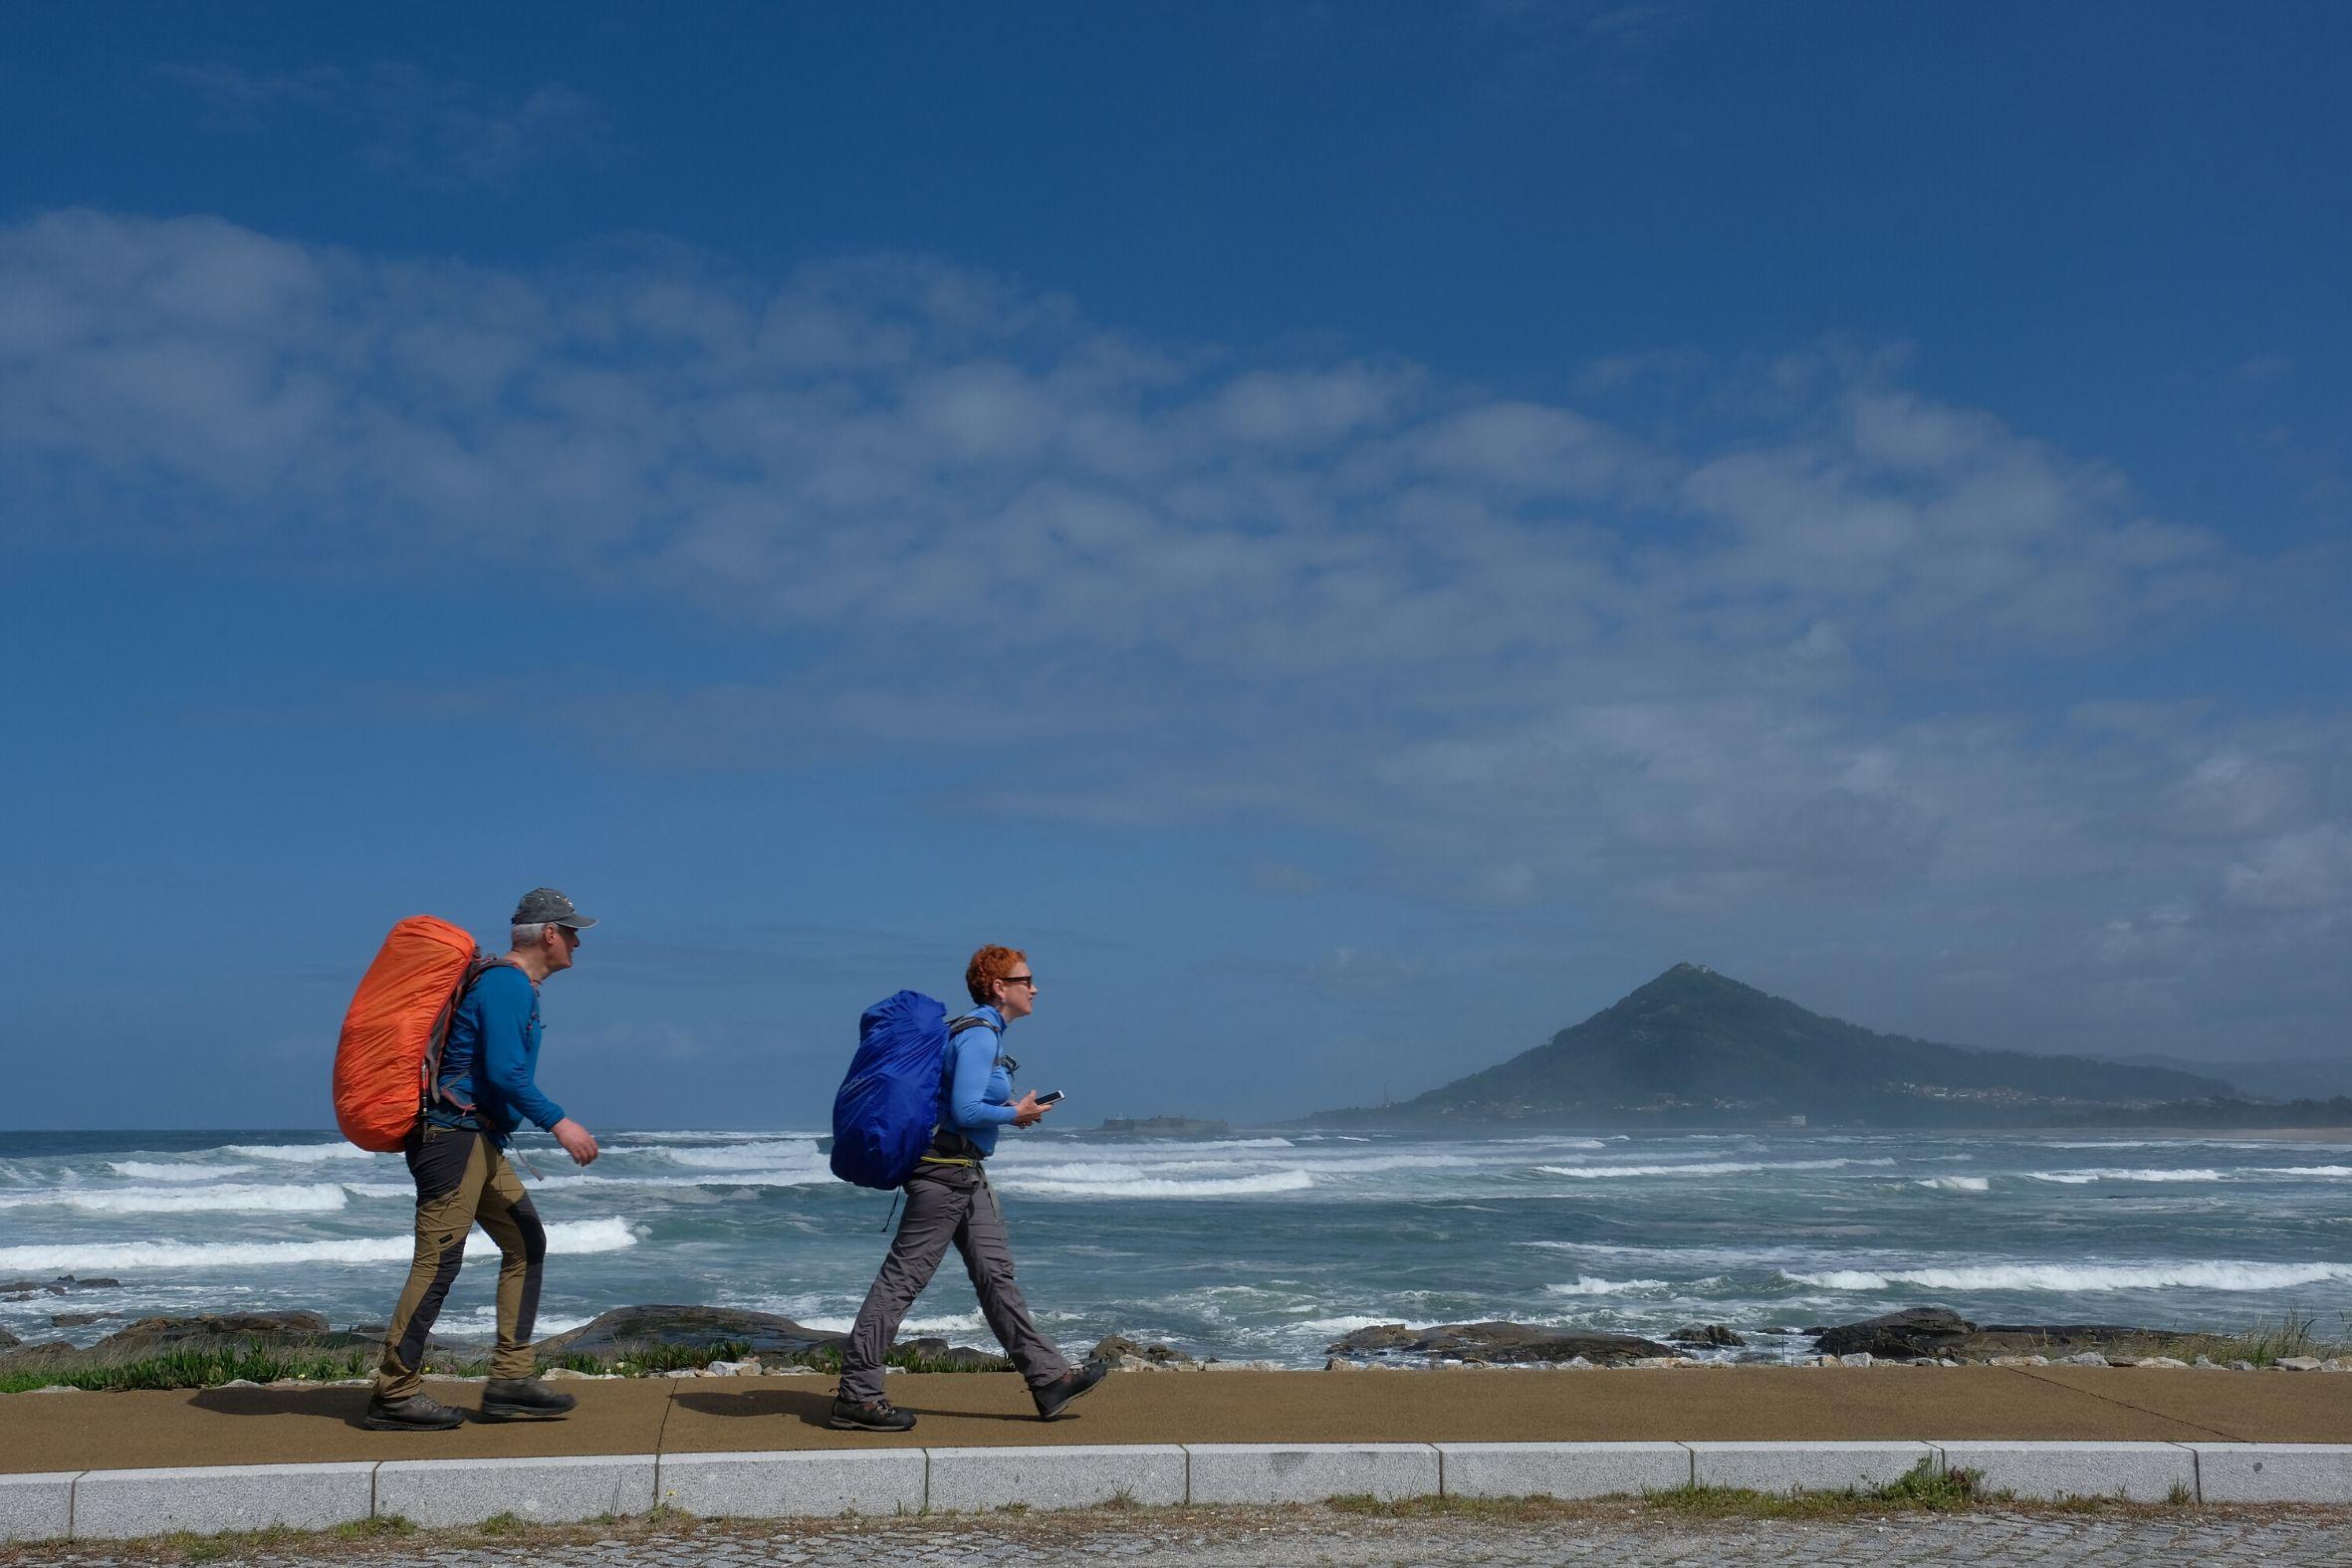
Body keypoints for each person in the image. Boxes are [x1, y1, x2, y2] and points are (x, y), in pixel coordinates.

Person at [829, 945, 1107, 1432]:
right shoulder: (978, 1036)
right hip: (943, 1175)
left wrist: (1009, 1116)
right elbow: (966, 1111)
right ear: (1000, 988)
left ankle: (1050, 1379)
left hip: (965, 1171)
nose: (1035, 988)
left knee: (996, 1277)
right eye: (1026, 980)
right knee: (901, 1282)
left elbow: (971, 1111)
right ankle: (857, 1394)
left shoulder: (976, 1032)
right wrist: (1014, 1113)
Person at [363, 888, 603, 1432]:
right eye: (571, 932)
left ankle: (509, 1381)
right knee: (439, 1261)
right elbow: (504, 1072)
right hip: (453, 1141)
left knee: (526, 1242)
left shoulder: (513, 985)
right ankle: (394, 1392)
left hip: (478, 1141)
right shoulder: (505, 984)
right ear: (548, 934)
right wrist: (560, 1123)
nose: (577, 942)